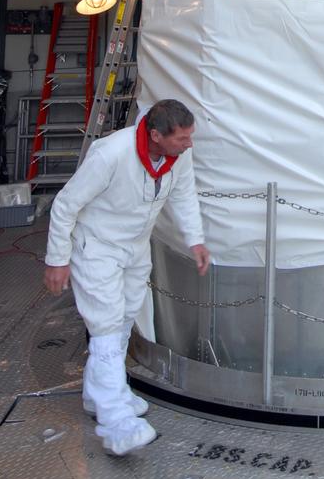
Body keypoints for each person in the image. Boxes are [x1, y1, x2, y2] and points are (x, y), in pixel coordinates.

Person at [44, 99, 210, 456]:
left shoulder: (177, 157)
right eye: (182, 138)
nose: (189, 144)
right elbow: (65, 205)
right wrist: (57, 260)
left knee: (123, 320)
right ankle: (115, 420)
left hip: (135, 245)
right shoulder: (110, 154)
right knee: (104, 326)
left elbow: (183, 196)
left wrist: (194, 240)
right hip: (97, 246)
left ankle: (99, 393)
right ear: (155, 135)